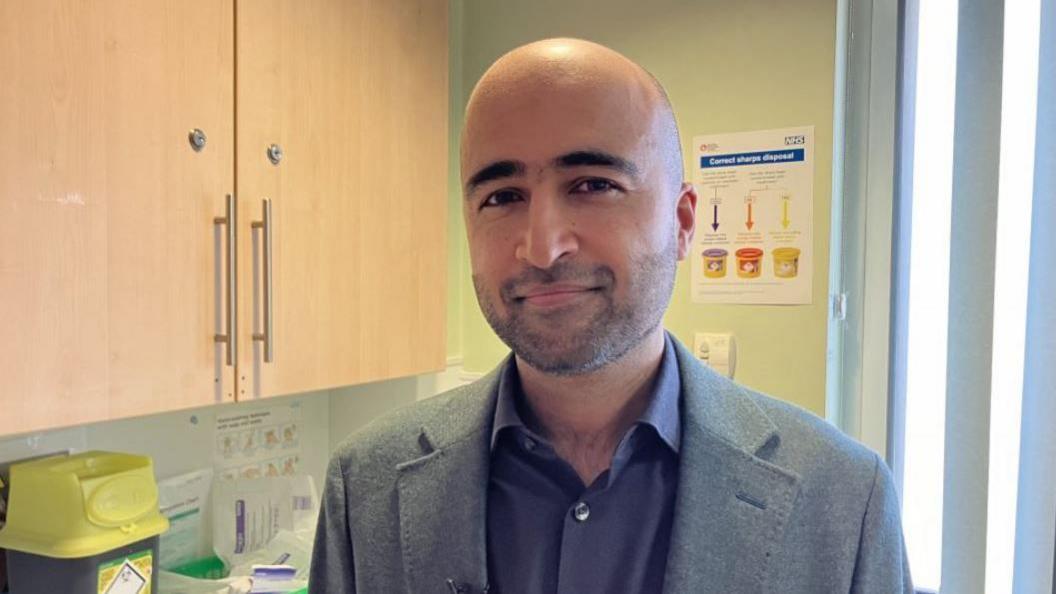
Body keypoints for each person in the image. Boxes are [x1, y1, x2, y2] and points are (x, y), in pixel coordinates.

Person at [309, 38, 913, 594]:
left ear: (681, 223)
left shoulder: (841, 503)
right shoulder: (365, 492)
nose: (542, 247)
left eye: (593, 185)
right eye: (501, 197)